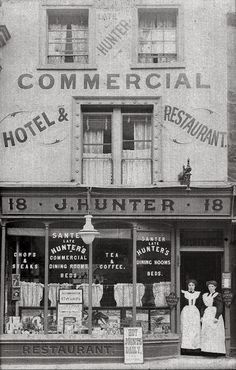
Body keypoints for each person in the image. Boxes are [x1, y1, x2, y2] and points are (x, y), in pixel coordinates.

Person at [200, 280, 226, 355]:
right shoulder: (205, 295)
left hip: (214, 314)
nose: (210, 288)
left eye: (212, 286)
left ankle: (216, 351)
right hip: (207, 314)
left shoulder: (217, 295)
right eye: (209, 286)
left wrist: (216, 317)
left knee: (215, 332)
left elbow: (220, 306)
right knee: (207, 332)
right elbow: (203, 307)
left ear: (215, 287)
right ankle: (208, 350)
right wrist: (202, 316)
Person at [180, 279, 201, 353]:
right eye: (189, 285)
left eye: (192, 285)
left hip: (195, 312)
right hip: (186, 312)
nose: (191, 287)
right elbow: (181, 304)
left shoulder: (198, 294)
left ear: (195, 286)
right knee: (186, 328)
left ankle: (195, 347)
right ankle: (185, 347)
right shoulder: (183, 293)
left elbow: (200, 305)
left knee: (195, 328)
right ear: (187, 286)